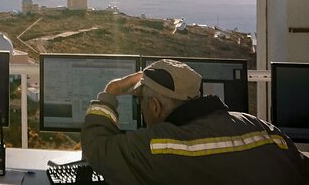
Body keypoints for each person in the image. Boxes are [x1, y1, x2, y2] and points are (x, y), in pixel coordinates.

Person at [82, 59, 309, 184]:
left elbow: (97, 150)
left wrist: (109, 93)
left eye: (141, 100)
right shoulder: (262, 128)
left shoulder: (161, 147)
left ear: (154, 106)